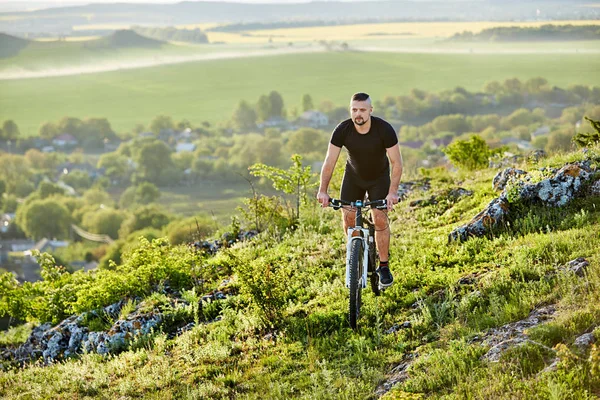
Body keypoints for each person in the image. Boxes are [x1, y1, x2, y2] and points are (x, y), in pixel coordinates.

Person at [317, 92, 403, 287]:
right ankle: (355, 256)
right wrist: (323, 190)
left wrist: (392, 192)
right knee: (348, 217)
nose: (358, 114)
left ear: (370, 111)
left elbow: (397, 163)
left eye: (362, 110)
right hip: (353, 177)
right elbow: (330, 161)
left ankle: (383, 265)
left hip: (378, 178)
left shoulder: (384, 129)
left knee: (379, 217)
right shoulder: (342, 130)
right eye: (354, 109)